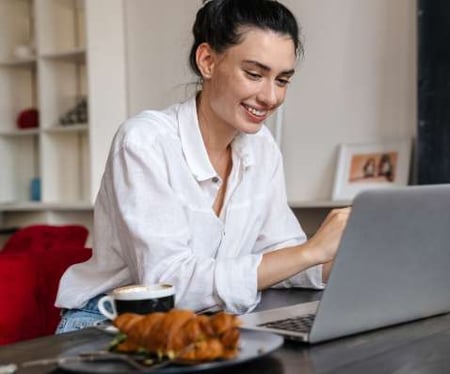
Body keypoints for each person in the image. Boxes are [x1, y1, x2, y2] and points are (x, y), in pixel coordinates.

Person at [55, 0, 350, 333]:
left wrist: (334, 260)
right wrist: (310, 251)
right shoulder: (143, 142)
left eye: (282, 80)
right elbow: (169, 284)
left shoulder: (262, 147)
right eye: (254, 74)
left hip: (201, 325)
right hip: (109, 324)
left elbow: (278, 252)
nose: (270, 97)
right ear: (208, 61)